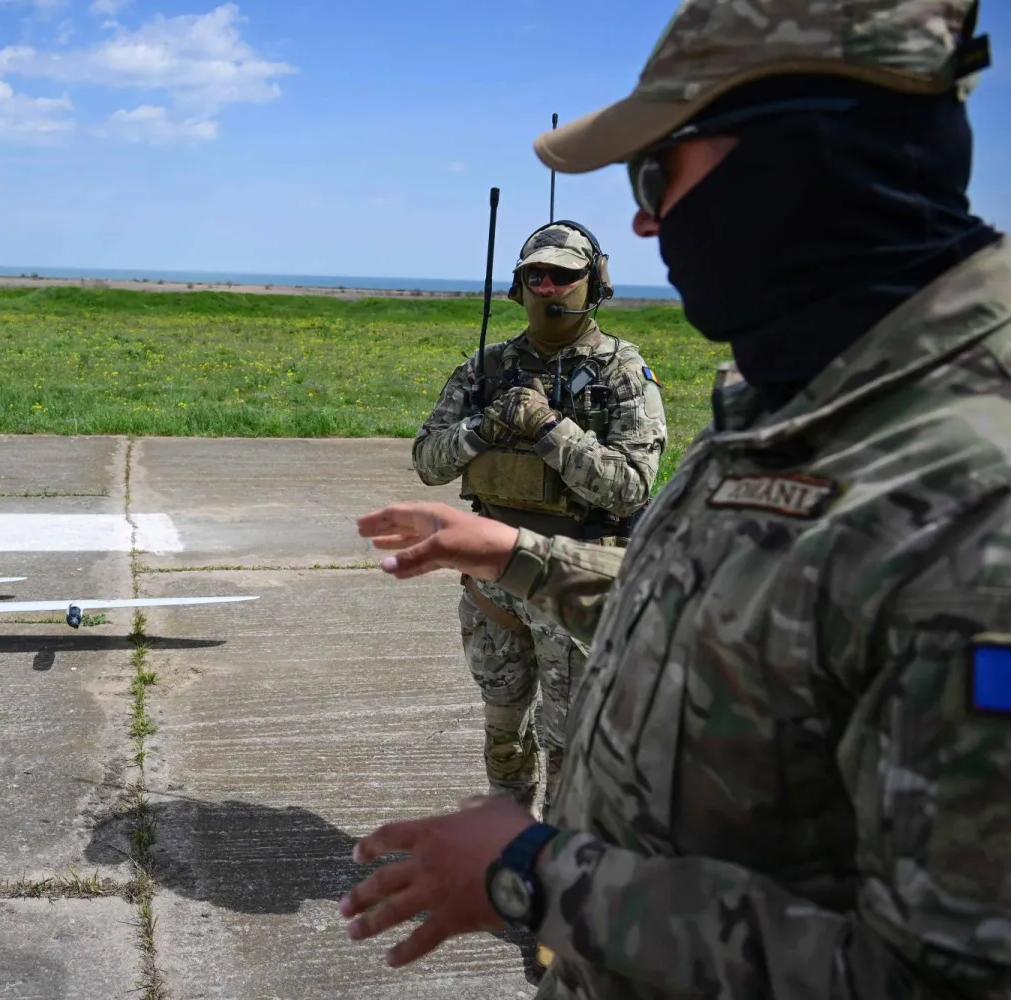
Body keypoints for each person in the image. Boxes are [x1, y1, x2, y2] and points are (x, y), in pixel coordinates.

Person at [340, 2, 1011, 998]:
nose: (648, 220)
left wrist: (534, 875)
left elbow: (934, 977)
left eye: (658, 173)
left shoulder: (969, 500)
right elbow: (729, 627)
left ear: (802, 156)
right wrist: (515, 550)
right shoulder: (802, 400)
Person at [412, 221, 666, 812]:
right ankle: (503, 837)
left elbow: (631, 487)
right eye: (535, 275)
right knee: (504, 727)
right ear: (518, 287)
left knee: (570, 741)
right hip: (494, 579)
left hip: (574, 581)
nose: (548, 287)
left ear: (593, 283)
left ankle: (555, 870)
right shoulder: (487, 368)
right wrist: (482, 429)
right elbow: (427, 461)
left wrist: (551, 429)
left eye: (564, 276)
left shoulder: (621, 372)